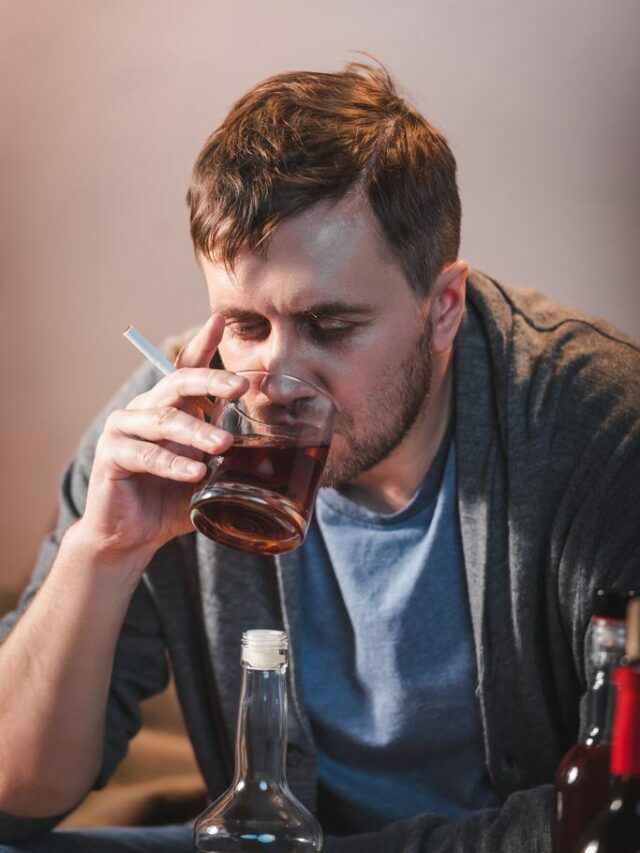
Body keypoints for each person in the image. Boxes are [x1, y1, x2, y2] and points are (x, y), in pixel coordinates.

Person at [0, 60, 639, 853]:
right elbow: (14, 796)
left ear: (443, 306)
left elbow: (616, 814)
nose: (279, 379)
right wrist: (103, 553)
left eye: (330, 327)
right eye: (244, 324)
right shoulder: (171, 429)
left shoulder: (596, 429)